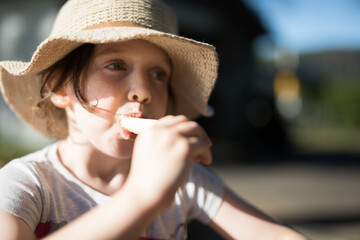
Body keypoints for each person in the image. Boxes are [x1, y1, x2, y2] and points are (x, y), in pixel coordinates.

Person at [0, 0, 307, 239]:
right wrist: (143, 196)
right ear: (58, 88)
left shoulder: (183, 179)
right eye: (117, 65)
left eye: (158, 74)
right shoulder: (26, 185)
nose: (144, 91)